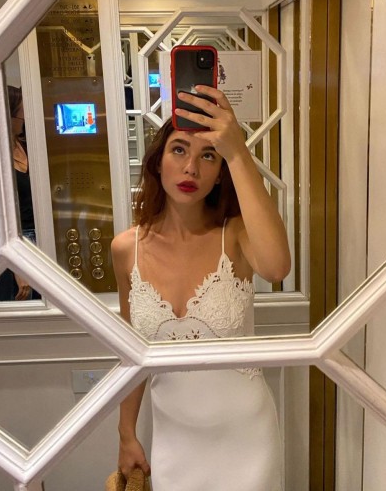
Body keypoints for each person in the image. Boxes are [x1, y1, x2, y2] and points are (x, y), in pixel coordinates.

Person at [111, 85, 291, 491]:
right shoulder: (126, 250)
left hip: (247, 439)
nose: (191, 168)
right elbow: (130, 352)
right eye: (179, 150)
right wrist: (126, 432)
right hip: (175, 440)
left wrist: (237, 151)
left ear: (220, 171)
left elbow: (278, 267)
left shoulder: (237, 236)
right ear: (157, 162)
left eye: (208, 155)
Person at [0, 86, 38, 301]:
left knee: (45, 311)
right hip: (11, 242)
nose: (24, 119)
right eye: (21, 113)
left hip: (38, 239)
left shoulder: (28, 146)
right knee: (19, 307)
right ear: (8, 115)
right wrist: (13, 262)